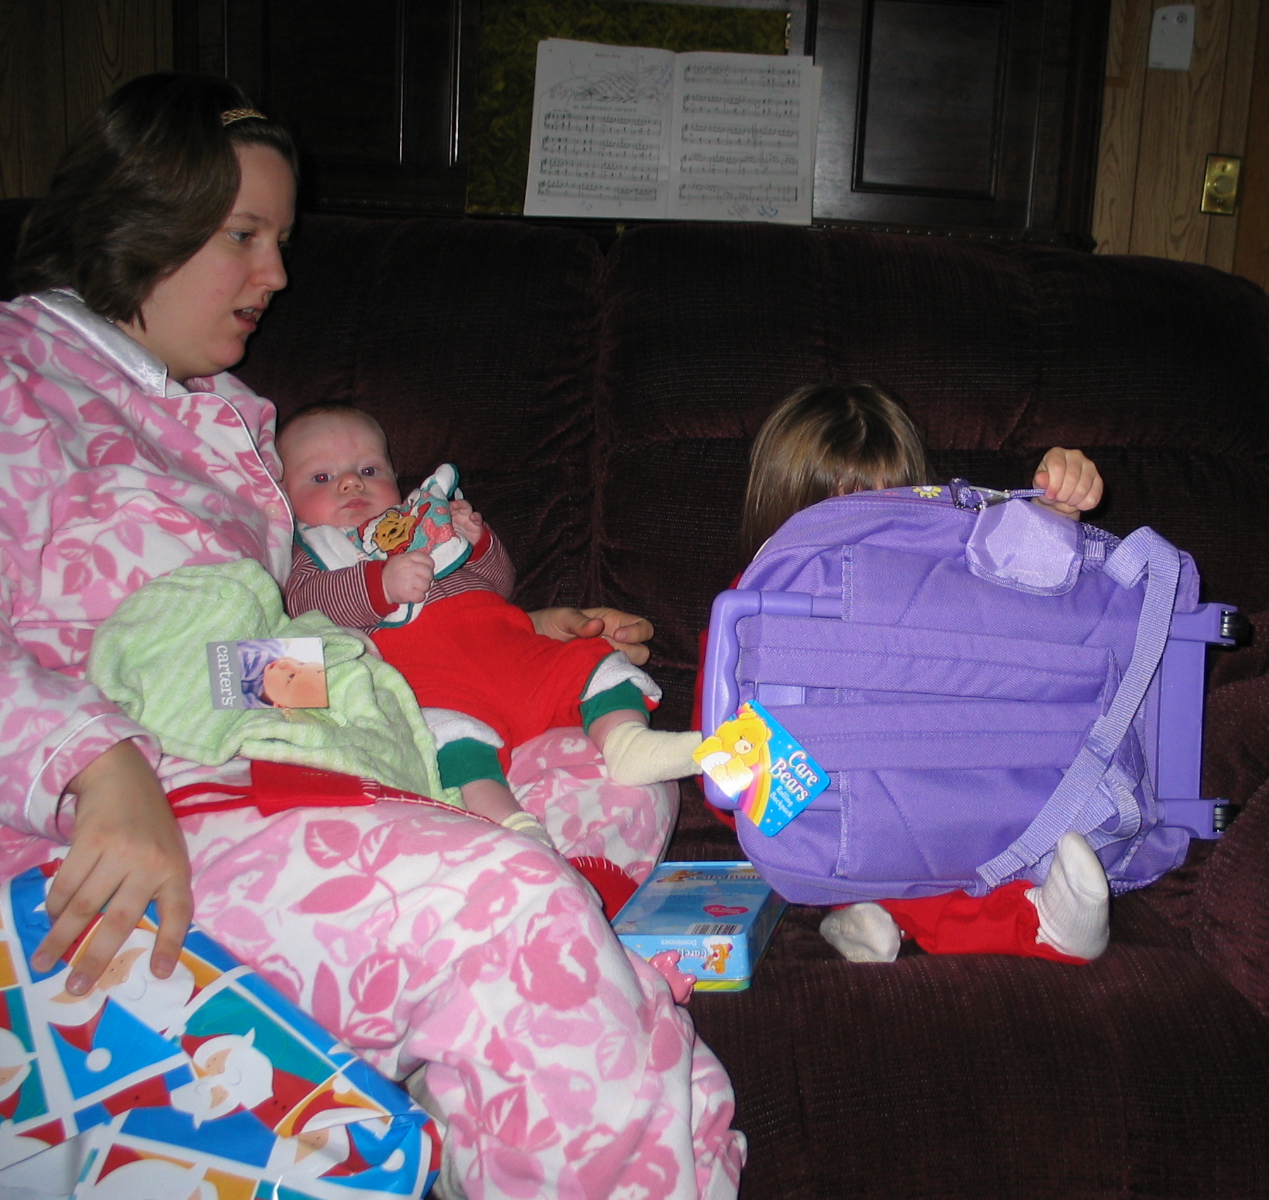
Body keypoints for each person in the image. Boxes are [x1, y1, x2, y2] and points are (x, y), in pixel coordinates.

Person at [0, 72, 743, 1199]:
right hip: (112, 825)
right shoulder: (20, 373)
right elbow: (187, 672)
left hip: (268, 734)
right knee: (515, 905)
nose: (277, 275)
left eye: (281, 240)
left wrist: (492, 632)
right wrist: (92, 764)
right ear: (136, 217)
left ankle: (501, 1048)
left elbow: (273, 654)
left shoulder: (225, 419)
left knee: (590, 766)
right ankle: (527, 989)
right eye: (245, 236)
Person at [708, 382, 1113, 965]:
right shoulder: (748, 610)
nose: (858, 533)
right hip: (828, 809)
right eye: (830, 510)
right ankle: (1034, 924)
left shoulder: (946, 572)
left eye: (883, 506)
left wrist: (1052, 512)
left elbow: (1015, 602)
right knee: (896, 862)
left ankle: (869, 912)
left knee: (951, 835)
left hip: (938, 773)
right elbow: (718, 768)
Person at [275, 404, 702, 845]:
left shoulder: (421, 523)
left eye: (369, 469)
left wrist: (479, 544)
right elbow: (308, 604)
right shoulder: (317, 553)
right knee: (447, 739)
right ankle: (510, 828)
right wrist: (379, 584)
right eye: (321, 477)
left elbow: (499, 585)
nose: (351, 482)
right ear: (282, 496)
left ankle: (628, 743)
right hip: (435, 685)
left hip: (513, 653)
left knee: (594, 662)